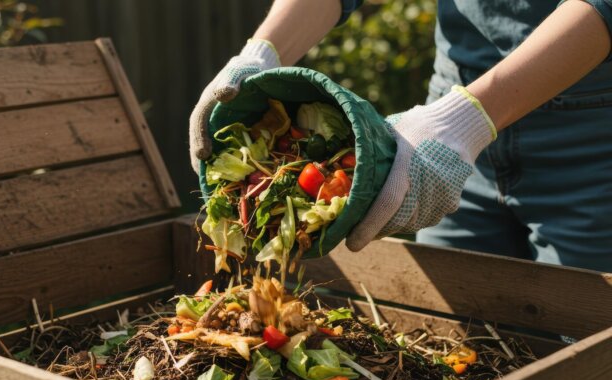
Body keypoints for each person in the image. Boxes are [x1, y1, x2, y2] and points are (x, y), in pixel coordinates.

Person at [188, 0, 612, 272]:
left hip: (590, 141)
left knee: (586, 354)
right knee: (455, 338)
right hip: (447, 122)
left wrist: (461, 121)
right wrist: (261, 52)